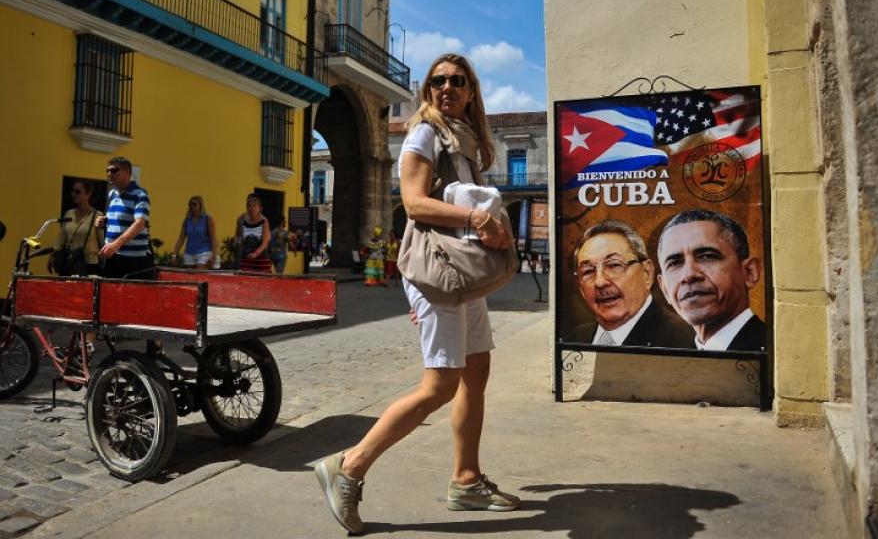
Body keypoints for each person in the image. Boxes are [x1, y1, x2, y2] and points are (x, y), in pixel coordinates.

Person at [314, 54, 517, 534]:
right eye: (438, 80)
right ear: (429, 90)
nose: (446, 86)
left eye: (457, 80)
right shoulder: (425, 133)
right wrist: (477, 219)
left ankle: (466, 481)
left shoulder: (466, 143)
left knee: (477, 370)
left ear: (471, 92)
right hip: (438, 271)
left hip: (458, 273)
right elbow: (412, 202)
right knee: (440, 385)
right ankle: (348, 467)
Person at [567, 219, 692, 348]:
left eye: (614, 265)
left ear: (647, 273)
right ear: (581, 288)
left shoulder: (687, 340)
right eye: (587, 271)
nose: (600, 282)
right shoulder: (576, 338)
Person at [656, 209, 767, 352]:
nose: (689, 275)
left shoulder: (778, 352)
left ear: (750, 272)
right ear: (664, 289)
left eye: (707, 256)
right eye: (675, 263)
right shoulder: (672, 360)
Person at [94, 157, 154, 280]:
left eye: (114, 170)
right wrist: (103, 221)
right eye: (108, 171)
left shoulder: (140, 194)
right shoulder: (112, 194)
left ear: (127, 172)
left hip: (134, 260)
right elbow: (118, 219)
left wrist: (115, 245)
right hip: (113, 258)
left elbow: (140, 224)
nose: (109, 174)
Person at [49, 180, 104, 276]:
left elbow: (102, 241)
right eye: (72, 191)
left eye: (77, 191)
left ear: (88, 194)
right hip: (69, 262)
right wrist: (53, 255)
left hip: (88, 264)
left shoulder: (97, 215)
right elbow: (61, 238)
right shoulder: (69, 213)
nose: (73, 194)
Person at [171, 196, 217, 270]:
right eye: (190, 205)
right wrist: (174, 254)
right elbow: (181, 239)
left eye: (194, 204)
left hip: (204, 252)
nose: (192, 207)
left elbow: (213, 239)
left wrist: (213, 256)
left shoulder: (207, 219)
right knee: (189, 278)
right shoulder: (186, 221)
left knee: (199, 276)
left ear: (200, 206)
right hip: (189, 253)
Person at [236, 194, 271, 273]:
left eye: (254, 206)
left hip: (260, 259)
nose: (251, 208)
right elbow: (238, 235)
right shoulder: (241, 220)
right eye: (249, 206)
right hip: (246, 258)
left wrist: (256, 253)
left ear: (260, 208)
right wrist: (237, 243)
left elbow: (265, 242)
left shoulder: (264, 221)